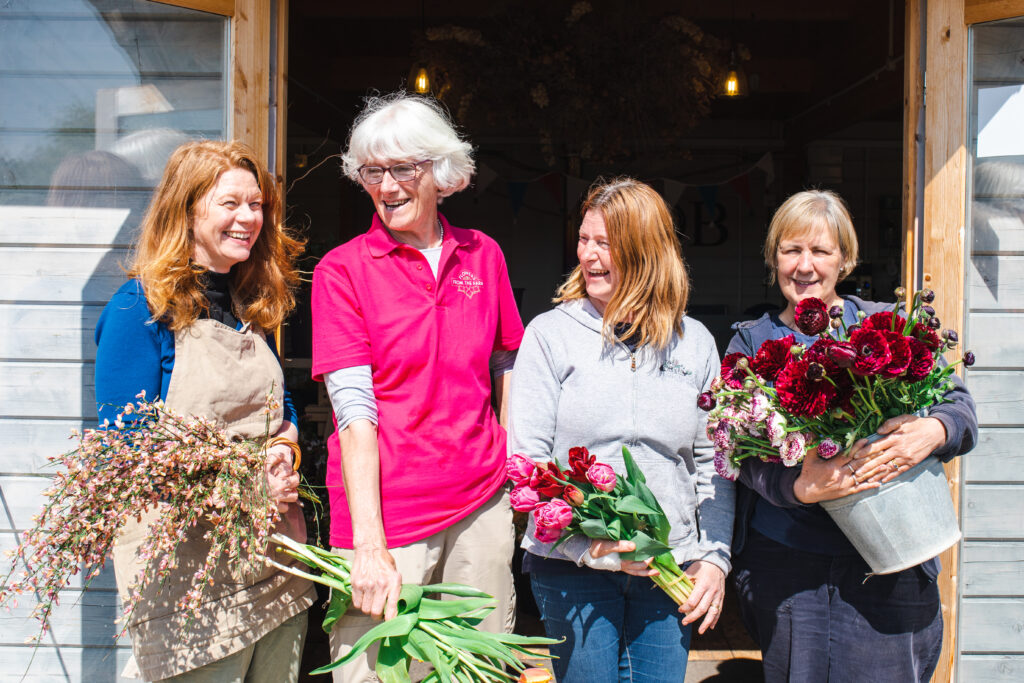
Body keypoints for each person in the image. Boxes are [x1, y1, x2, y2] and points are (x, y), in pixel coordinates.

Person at [310, 92, 524, 682]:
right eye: (373, 172)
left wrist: (508, 458)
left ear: (442, 172)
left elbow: (508, 360)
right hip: (388, 516)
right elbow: (353, 412)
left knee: (475, 670)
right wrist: (370, 546)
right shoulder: (342, 271)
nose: (388, 186)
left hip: (479, 503)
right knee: (377, 674)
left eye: (404, 168)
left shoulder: (484, 257)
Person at [727, 189, 978, 682]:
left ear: (844, 258)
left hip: (894, 556)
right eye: (790, 250)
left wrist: (931, 429)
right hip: (791, 566)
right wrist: (797, 486)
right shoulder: (752, 343)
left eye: (820, 251)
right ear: (773, 257)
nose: (804, 266)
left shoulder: (882, 325)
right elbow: (740, 452)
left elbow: (960, 408)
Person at [94, 140, 315, 682]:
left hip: (273, 561)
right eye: (230, 204)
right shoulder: (138, 311)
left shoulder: (249, 306)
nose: (248, 218)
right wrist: (242, 484)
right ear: (187, 209)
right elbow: (129, 457)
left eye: (256, 204)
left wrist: (284, 454)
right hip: (189, 579)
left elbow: (279, 409)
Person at [510, 178, 734, 683]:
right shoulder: (550, 336)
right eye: (584, 240)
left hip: (668, 569)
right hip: (573, 569)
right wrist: (588, 549)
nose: (589, 255)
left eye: (605, 244)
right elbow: (528, 462)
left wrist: (714, 557)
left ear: (646, 253)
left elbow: (714, 463)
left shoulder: (693, 342)